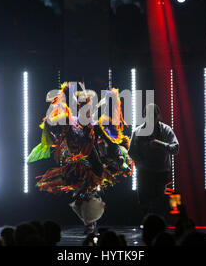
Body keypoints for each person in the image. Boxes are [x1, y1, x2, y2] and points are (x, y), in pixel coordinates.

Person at [28, 82, 133, 234]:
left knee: (88, 191)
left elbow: (110, 140)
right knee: (81, 193)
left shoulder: (94, 125)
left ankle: (90, 222)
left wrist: (119, 156)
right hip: (75, 163)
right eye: (82, 107)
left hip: (91, 162)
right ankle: (89, 221)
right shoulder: (72, 123)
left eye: (88, 108)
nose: (86, 110)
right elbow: (53, 125)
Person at [128, 103, 179, 218]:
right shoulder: (137, 132)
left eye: (154, 115)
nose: (151, 118)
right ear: (144, 116)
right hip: (144, 173)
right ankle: (147, 226)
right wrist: (141, 162)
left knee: (159, 203)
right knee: (144, 203)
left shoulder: (166, 130)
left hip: (160, 173)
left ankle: (157, 226)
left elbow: (176, 148)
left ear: (158, 116)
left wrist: (160, 144)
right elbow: (131, 151)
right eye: (148, 115)